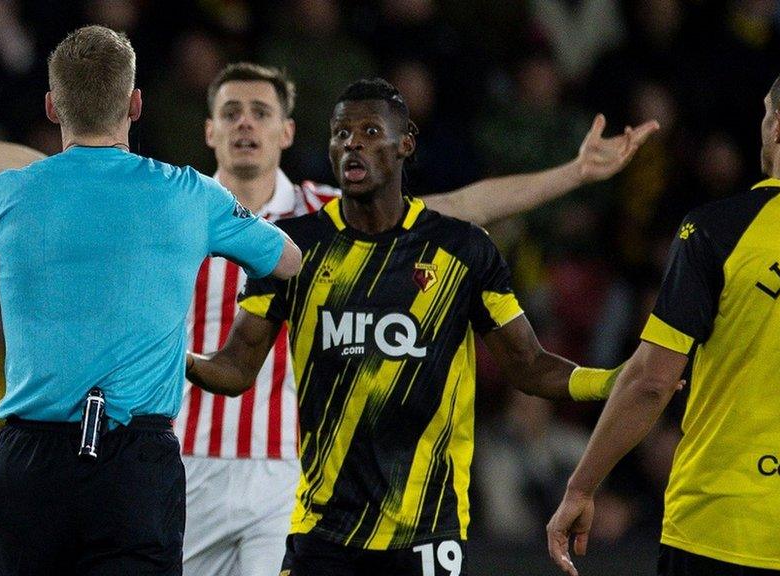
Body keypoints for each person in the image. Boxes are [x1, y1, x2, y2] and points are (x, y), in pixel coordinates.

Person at [0, 63, 658, 576]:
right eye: (228, 111)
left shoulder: (324, 214)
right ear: (206, 130)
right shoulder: (168, 200)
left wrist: (570, 175)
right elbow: (47, 171)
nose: (243, 123)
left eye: (259, 112)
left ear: (287, 132)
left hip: (283, 475)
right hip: (177, 456)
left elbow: (461, 207)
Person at [186, 77, 628, 576]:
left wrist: (614, 381)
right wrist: (168, 357)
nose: (353, 142)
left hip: (419, 525)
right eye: (341, 133)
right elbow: (235, 366)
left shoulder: (457, 247)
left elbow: (527, 361)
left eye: (371, 131)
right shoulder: (287, 247)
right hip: (300, 516)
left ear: (405, 145)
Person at [0, 25, 300, 575]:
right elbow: (287, 262)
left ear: (52, 106)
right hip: (136, 465)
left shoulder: (9, 193)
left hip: (31, 462)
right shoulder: (189, 193)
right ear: (135, 103)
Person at [546, 55, 780, 576]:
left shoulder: (719, 229)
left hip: (722, 527)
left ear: (777, 124)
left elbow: (652, 381)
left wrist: (581, 487)